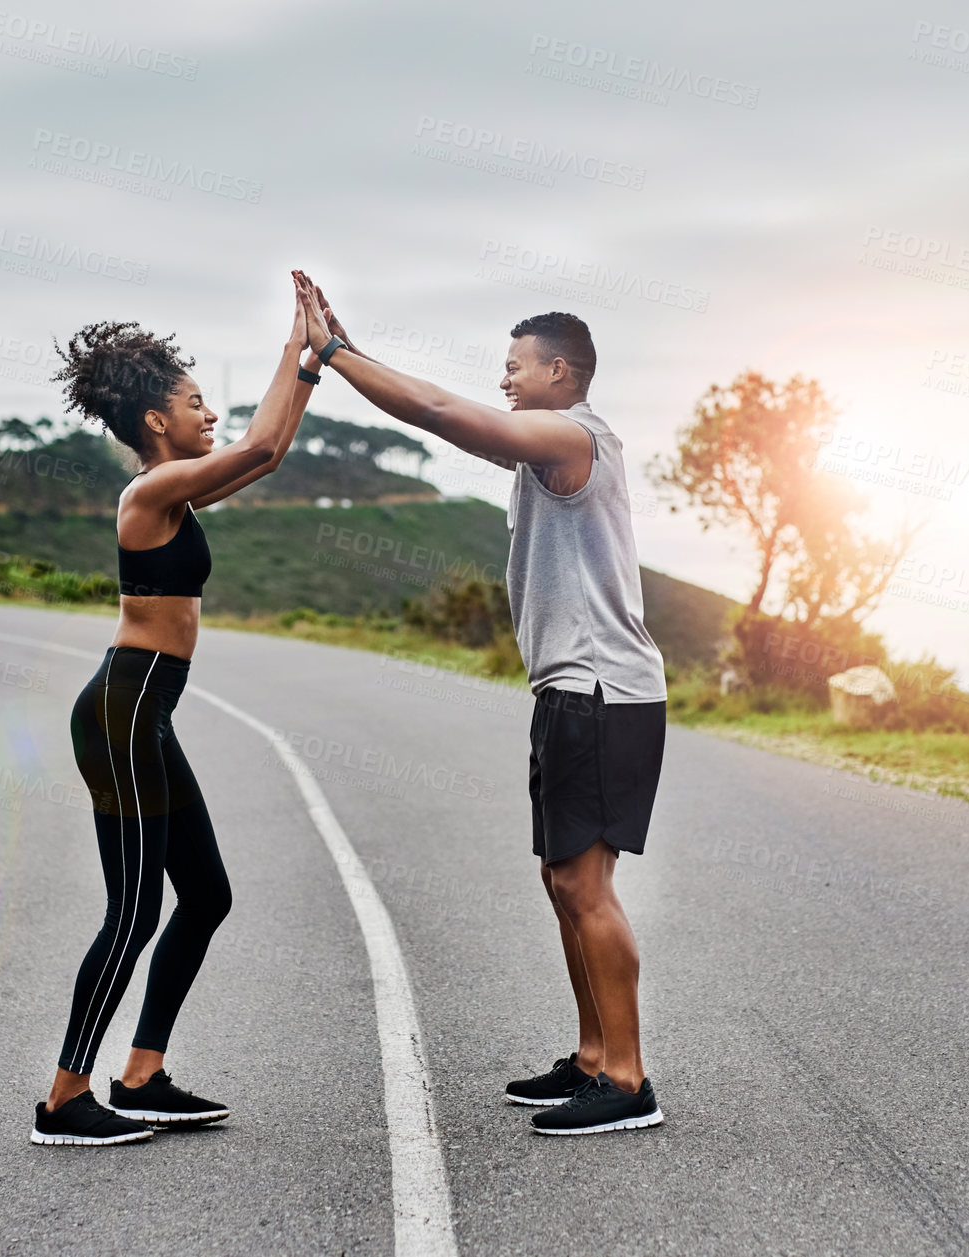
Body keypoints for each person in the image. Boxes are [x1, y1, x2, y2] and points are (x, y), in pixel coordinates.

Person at [291, 271, 668, 1137]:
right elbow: (437, 412)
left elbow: (436, 411)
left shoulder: (573, 438)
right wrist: (352, 349)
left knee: (585, 882)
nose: (503, 378)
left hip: (601, 693)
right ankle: (588, 1056)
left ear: (561, 375)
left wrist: (335, 355)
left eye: (516, 366)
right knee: (561, 878)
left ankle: (628, 1078)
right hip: (573, 691)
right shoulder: (548, 445)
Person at [32, 295, 322, 1146]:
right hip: (122, 713)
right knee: (132, 911)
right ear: (157, 420)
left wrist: (310, 368)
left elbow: (261, 459)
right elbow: (261, 446)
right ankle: (62, 1099)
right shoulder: (151, 490)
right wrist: (295, 348)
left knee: (205, 895)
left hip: (144, 717)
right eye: (196, 403)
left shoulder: (176, 493)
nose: (210, 415)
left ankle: (143, 1075)